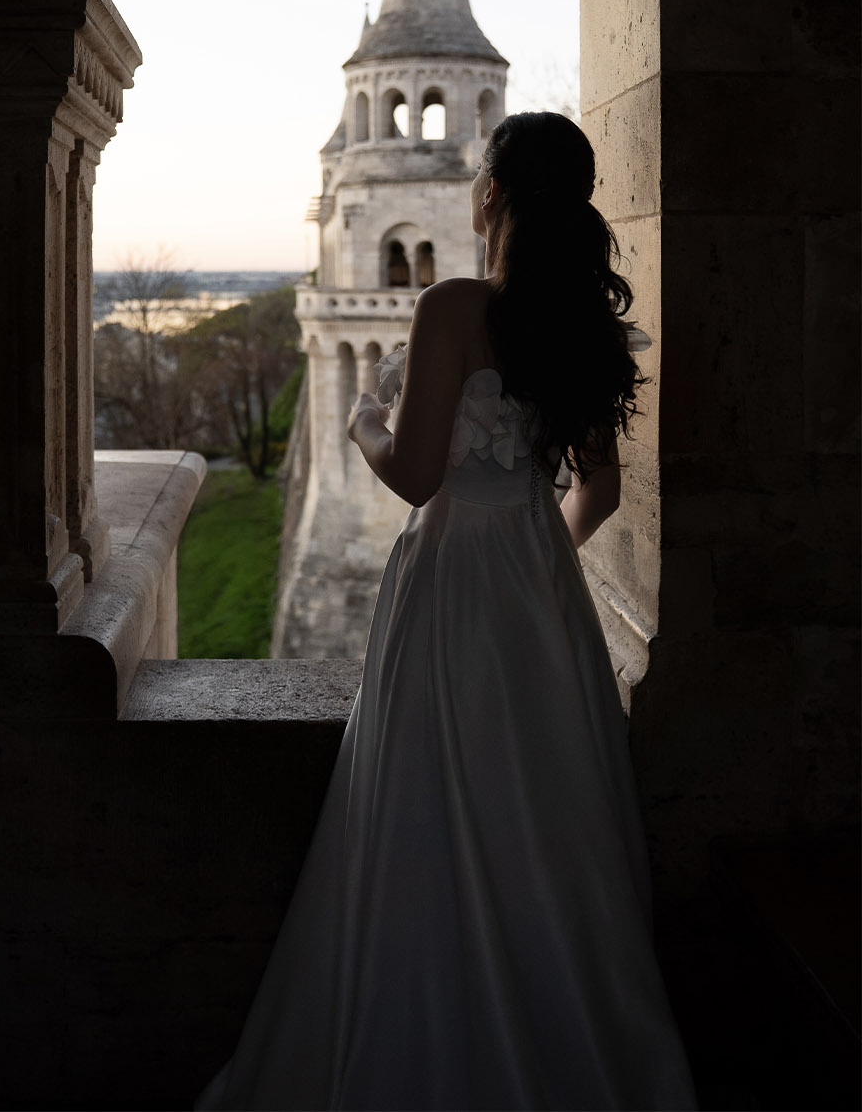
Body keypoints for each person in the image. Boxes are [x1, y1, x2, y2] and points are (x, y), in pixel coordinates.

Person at [197, 112, 697, 1111]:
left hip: (455, 581)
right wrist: (536, 549)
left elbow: (419, 477)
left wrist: (362, 419)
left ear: (493, 196)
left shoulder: (455, 306)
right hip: (539, 582)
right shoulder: (582, 322)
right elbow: (593, 489)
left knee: (430, 789)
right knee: (546, 805)